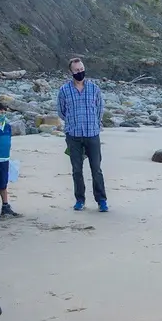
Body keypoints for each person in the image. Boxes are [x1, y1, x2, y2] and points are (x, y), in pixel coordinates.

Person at [57, 58, 107, 212]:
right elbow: (61, 111)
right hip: (73, 135)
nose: (80, 72)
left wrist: (94, 123)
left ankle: (102, 201)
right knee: (76, 170)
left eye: (81, 69)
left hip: (92, 134)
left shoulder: (94, 89)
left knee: (96, 169)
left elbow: (99, 109)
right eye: (77, 70)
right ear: (71, 72)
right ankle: (80, 200)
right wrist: (73, 123)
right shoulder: (64, 90)